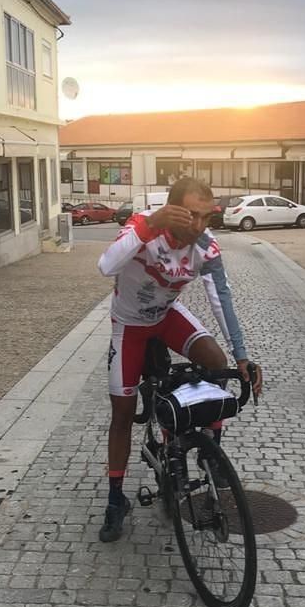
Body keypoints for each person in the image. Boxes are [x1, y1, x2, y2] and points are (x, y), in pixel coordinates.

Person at [96, 177, 263, 542]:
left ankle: (210, 454)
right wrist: (151, 225)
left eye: (207, 216)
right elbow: (106, 266)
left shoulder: (206, 245)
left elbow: (221, 296)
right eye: (191, 216)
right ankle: (114, 500)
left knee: (216, 364)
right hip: (130, 324)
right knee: (122, 413)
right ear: (171, 209)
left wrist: (242, 356)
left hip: (167, 316)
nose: (199, 226)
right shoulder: (143, 227)